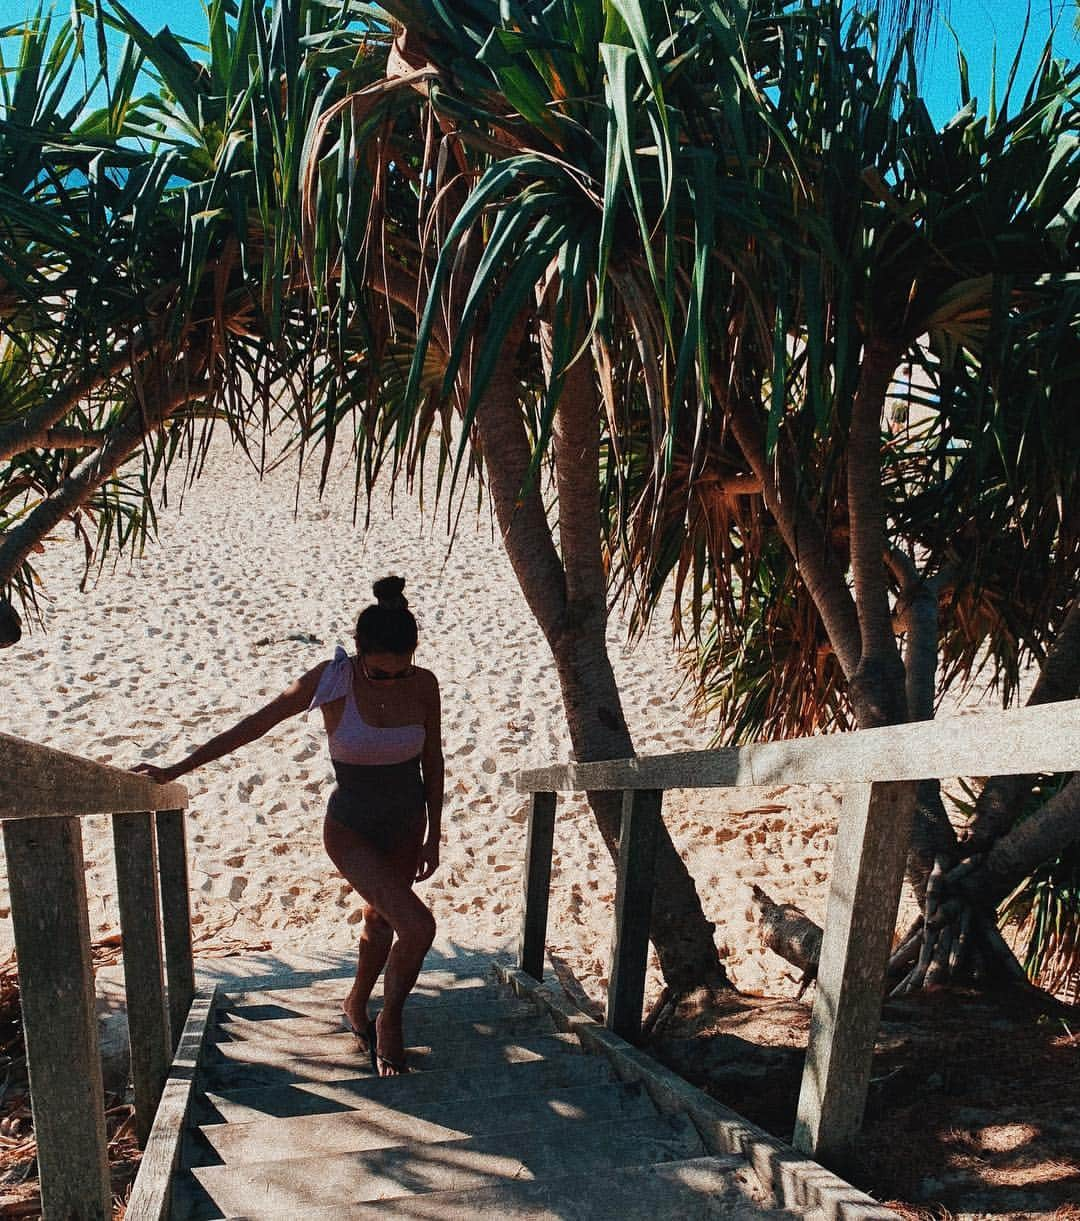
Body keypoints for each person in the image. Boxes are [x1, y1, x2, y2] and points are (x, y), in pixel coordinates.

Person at [133, 576, 443, 1076]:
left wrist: (434, 832)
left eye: (399, 673)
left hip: (407, 824)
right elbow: (256, 723)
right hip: (351, 827)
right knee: (418, 925)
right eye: (379, 674)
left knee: (382, 919)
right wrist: (174, 770)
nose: (391, 682)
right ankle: (391, 1021)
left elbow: (434, 759)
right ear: (359, 652)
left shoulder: (424, 684)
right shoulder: (332, 679)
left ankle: (355, 1004)